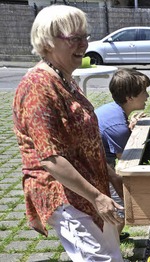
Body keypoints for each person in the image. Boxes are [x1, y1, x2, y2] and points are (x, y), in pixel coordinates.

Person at [12, 5, 124, 261]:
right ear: (48, 42)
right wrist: (97, 197)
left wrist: (111, 176)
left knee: (110, 253)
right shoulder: (38, 87)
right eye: (74, 38)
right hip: (63, 193)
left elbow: (84, 143)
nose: (83, 44)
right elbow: (50, 159)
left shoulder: (65, 78)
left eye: (85, 37)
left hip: (86, 189)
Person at [95, 68, 150, 240]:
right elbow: (125, 162)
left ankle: (111, 237)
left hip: (101, 162)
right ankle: (109, 245)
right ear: (130, 98)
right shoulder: (117, 128)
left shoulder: (115, 110)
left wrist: (129, 127)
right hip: (100, 168)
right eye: (144, 92)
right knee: (119, 211)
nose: (147, 96)